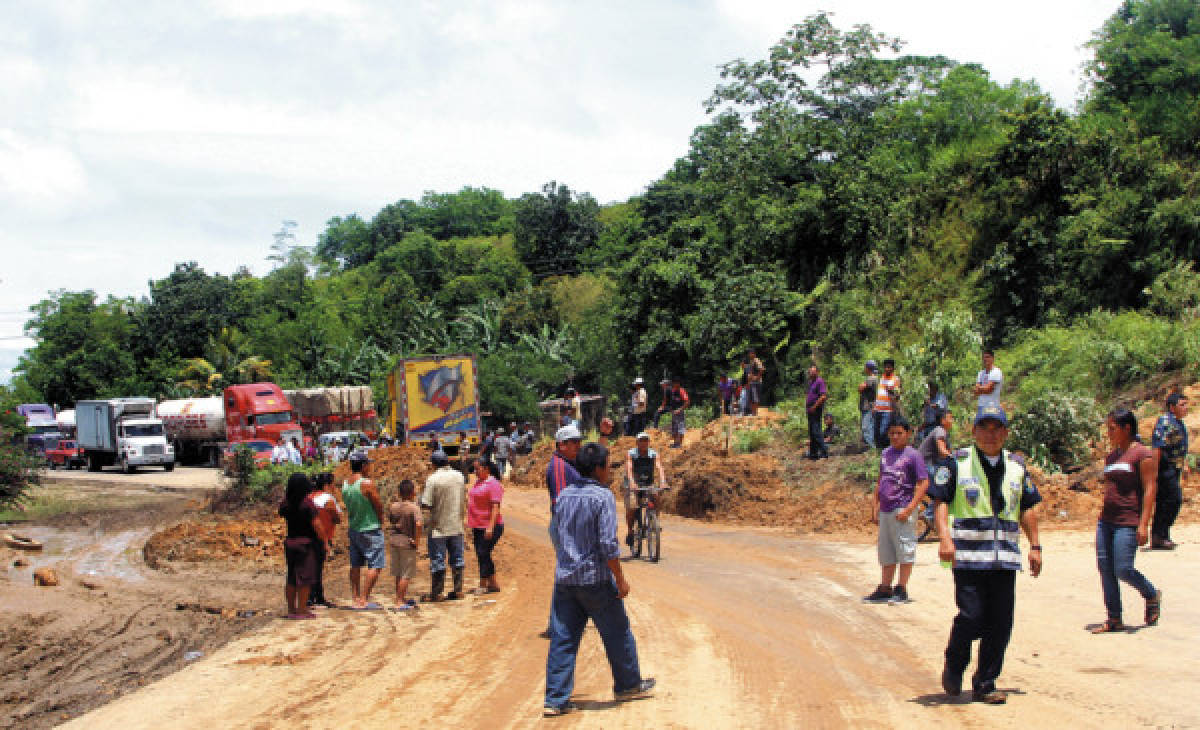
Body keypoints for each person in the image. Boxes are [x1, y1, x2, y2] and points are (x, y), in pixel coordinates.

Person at [930, 404, 1043, 705]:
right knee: (972, 616)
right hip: (967, 556)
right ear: (974, 431)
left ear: (1005, 432)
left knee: (1001, 622)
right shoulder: (956, 464)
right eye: (985, 428)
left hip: (1004, 558)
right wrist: (944, 539)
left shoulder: (1017, 467)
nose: (991, 434)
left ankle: (986, 683)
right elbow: (939, 502)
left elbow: (1028, 507)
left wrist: (1035, 545)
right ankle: (955, 663)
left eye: (997, 428)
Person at [544, 442, 656, 716]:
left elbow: (557, 534)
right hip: (595, 579)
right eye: (607, 466)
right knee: (617, 632)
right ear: (597, 469)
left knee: (563, 639)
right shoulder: (602, 497)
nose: (609, 471)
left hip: (566, 580)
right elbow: (607, 544)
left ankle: (555, 700)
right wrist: (620, 577)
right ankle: (628, 684)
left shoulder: (565, 496)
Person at [1091, 409, 1162, 633]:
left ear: (1127, 428)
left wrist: (1143, 524)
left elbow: (1150, 489)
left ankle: (1150, 594)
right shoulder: (1111, 457)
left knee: (1122, 568)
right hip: (1106, 521)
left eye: (1112, 428)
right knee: (1105, 568)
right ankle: (1114, 618)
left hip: (1128, 521)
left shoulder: (1142, 454)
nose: (1109, 433)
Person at [864, 418, 928, 605]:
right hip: (885, 508)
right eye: (892, 433)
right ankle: (885, 587)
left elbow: (924, 482)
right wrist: (875, 505)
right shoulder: (885, 454)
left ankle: (901, 588)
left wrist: (910, 508)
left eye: (899, 433)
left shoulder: (913, 456)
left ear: (907, 434)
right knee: (886, 550)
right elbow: (880, 480)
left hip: (903, 508)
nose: (895, 436)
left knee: (904, 548)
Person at [539, 424, 583, 639]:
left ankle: (565, 621)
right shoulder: (558, 466)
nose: (578, 446)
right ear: (561, 445)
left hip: (570, 526)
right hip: (565, 526)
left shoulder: (568, 462)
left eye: (579, 442)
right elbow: (560, 502)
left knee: (571, 574)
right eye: (573, 442)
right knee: (566, 575)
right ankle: (556, 624)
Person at [421, 449, 467, 601]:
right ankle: (458, 590)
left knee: (438, 559)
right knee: (457, 558)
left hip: (439, 526)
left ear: (434, 464)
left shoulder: (433, 479)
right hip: (456, 524)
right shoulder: (459, 476)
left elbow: (426, 504)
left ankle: (437, 593)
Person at [278, 473, 326, 620]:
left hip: (290, 542)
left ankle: (291, 609)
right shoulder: (307, 504)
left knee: (291, 577)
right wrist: (325, 542)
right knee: (305, 578)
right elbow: (317, 525)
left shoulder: (286, 503)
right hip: (306, 543)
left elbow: (282, 513)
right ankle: (302, 609)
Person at [342, 450, 385, 609]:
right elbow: (378, 505)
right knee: (375, 565)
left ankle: (355, 597)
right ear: (363, 466)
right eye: (367, 464)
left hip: (354, 527)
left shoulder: (346, 484)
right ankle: (364, 599)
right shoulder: (367, 484)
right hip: (370, 528)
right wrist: (381, 520)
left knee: (356, 564)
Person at [1150, 392, 1189, 549]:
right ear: (1172, 407)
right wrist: (1154, 472)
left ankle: (1161, 536)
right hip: (1165, 467)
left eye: (1186, 405)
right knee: (1173, 500)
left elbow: (1178, 446)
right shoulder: (1165, 421)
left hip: (1175, 467)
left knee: (1166, 502)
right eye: (1182, 405)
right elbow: (1158, 447)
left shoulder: (1178, 422)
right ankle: (1159, 535)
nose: (1186, 408)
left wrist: (1184, 464)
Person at [623, 432, 669, 549]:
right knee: (632, 506)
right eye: (641, 441)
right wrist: (632, 482)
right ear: (637, 442)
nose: (644, 443)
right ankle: (630, 531)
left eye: (646, 441)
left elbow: (659, 467)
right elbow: (629, 468)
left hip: (648, 483)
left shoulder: (653, 454)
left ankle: (655, 522)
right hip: (632, 483)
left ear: (649, 442)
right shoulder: (631, 453)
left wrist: (663, 482)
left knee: (656, 496)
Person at [467, 458, 505, 594]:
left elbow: (496, 507)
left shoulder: (493, 484)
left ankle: (484, 584)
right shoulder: (479, 482)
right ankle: (492, 583)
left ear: (486, 469)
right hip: (478, 525)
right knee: (481, 554)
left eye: (478, 469)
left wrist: (490, 527)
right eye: (475, 469)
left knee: (483, 553)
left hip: (490, 526)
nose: (475, 472)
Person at [307, 471, 342, 609]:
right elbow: (337, 518)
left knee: (312, 566)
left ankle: (314, 596)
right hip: (322, 536)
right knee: (317, 567)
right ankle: (315, 597)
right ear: (327, 485)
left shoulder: (309, 497)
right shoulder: (327, 498)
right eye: (333, 484)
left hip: (308, 535)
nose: (334, 487)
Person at [386, 479, 422, 609]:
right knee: (406, 574)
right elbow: (418, 524)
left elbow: (390, 520)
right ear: (413, 492)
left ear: (399, 493)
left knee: (398, 573)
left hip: (394, 541)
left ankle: (399, 598)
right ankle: (400, 601)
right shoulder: (414, 508)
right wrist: (416, 540)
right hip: (407, 543)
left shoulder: (393, 506)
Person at [873, 359, 901, 449]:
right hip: (878, 409)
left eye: (889, 367)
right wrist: (874, 406)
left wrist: (891, 391)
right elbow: (878, 393)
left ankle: (887, 449)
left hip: (888, 410)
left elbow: (897, 395)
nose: (887, 369)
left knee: (883, 431)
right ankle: (879, 451)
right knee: (876, 432)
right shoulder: (881, 378)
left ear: (892, 368)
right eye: (885, 367)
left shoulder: (895, 379)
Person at [806, 365, 828, 460]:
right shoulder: (811, 382)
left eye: (813, 371)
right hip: (810, 410)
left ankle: (824, 453)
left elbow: (823, 396)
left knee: (816, 431)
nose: (811, 373)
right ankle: (813, 453)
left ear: (817, 372)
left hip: (816, 410)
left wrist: (814, 406)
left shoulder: (820, 381)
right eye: (810, 371)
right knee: (811, 432)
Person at [858, 361, 879, 448]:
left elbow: (860, 388)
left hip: (868, 406)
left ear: (868, 368)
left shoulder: (871, 378)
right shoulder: (873, 378)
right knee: (870, 426)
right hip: (868, 406)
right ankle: (870, 446)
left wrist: (861, 386)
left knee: (866, 427)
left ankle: (872, 447)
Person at [665, 376, 689, 449]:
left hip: (680, 412)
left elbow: (687, 402)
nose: (674, 384)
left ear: (678, 383)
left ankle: (679, 444)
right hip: (674, 412)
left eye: (675, 383)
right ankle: (675, 443)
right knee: (674, 428)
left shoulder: (681, 391)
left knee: (680, 428)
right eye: (673, 383)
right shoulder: (672, 391)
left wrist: (680, 409)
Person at [744, 349, 765, 416]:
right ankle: (753, 413)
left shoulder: (756, 360)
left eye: (752, 353)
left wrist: (757, 377)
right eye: (750, 353)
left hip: (756, 382)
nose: (751, 355)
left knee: (755, 397)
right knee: (751, 398)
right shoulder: (751, 362)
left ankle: (755, 413)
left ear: (754, 354)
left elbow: (762, 369)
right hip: (751, 382)